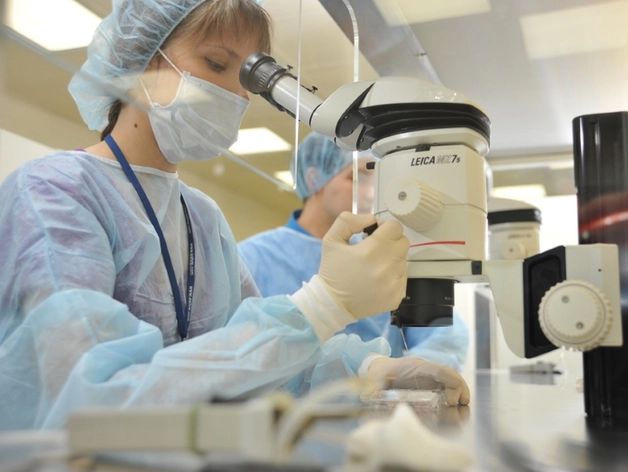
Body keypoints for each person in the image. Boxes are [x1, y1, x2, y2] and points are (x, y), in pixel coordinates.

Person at [0, 0, 470, 431]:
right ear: (143, 60)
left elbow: (256, 365)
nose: (234, 94)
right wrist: (323, 305)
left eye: (246, 78)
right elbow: (85, 399)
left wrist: (369, 371)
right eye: (215, 63)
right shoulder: (53, 195)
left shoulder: (201, 217)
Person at [239, 132, 469, 370]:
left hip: (382, 392)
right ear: (314, 179)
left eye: (376, 179)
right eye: (356, 177)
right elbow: (240, 352)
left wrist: (403, 374)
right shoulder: (252, 259)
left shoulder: (383, 254)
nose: (370, 192)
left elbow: (444, 336)